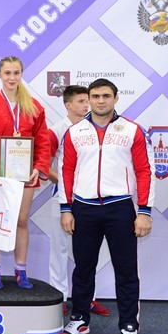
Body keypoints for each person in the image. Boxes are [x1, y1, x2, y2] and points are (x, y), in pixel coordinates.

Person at [59, 78, 154, 334]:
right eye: (95, 96)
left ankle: (129, 327)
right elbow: (66, 171)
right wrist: (66, 208)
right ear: (89, 99)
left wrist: (144, 211)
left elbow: (144, 171)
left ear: (115, 98)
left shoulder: (132, 130)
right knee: (83, 268)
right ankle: (79, 318)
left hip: (120, 208)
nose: (100, 101)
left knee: (126, 271)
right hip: (83, 208)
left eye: (106, 96)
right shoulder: (74, 132)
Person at [0, 56, 50, 290]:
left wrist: (39, 167)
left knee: (21, 221)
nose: (12, 78)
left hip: (25, 174)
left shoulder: (34, 106)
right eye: (7, 73)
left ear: (21, 74)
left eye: (16, 73)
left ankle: (21, 270)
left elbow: (43, 141)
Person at [47, 85, 110, 316]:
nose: (87, 105)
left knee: (88, 252)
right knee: (59, 249)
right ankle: (59, 298)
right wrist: (66, 184)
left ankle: (88, 298)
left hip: (89, 200)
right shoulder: (55, 131)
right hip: (61, 197)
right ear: (68, 105)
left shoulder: (94, 128)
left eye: (87, 100)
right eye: (82, 101)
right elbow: (44, 166)